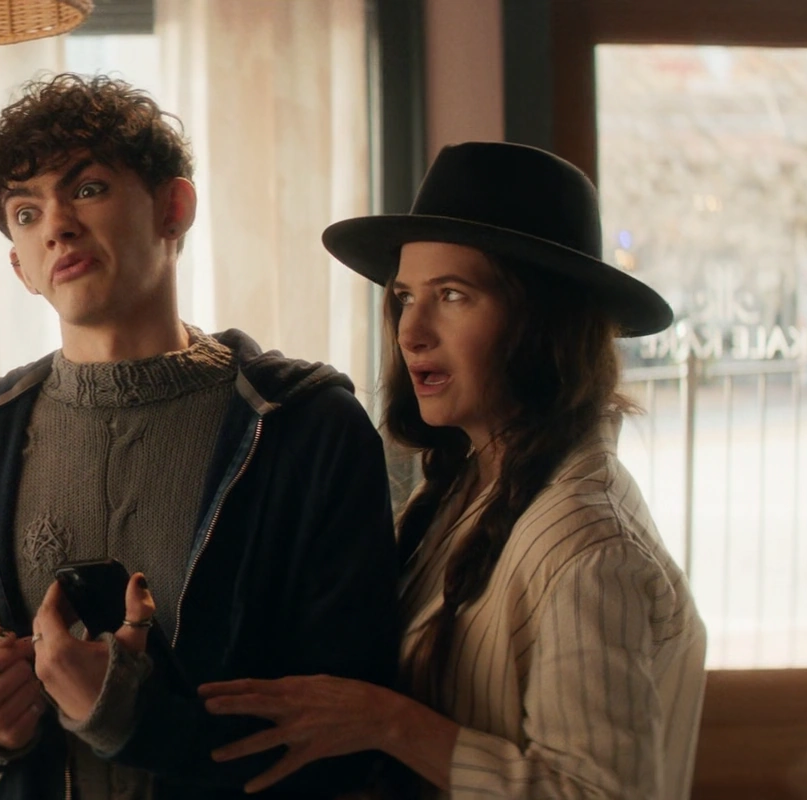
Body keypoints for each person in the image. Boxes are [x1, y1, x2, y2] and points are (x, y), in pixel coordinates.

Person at [0, 73, 400, 799]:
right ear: (21, 266)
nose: (57, 227)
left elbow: (350, 737)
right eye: (26, 212)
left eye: (87, 189)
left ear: (173, 208)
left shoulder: (307, 428)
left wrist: (131, 718)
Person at [200, 142, 706, 797]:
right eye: (405, 296)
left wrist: (388, 723)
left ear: (545, 323)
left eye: (453, 295)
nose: (412, 330)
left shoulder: (588, 546)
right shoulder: (468, 486)